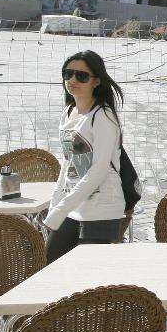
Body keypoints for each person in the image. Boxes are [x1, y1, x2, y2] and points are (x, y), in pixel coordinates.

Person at [45, 51, 127, 263]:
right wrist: (55, 204)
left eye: (81, 76)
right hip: (73, 205)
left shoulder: (103, 116)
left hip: (102, 207)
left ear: (96, 81)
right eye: (68, 74)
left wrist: (60, 209)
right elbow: (68, 161)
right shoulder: (69, 112)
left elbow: (98, 170)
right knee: (50, 261)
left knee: (87, 274)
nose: (72, 80)